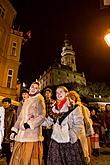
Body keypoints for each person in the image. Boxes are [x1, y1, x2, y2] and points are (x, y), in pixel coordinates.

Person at [42, 86, 85, 165]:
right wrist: (38, 121)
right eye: (57, 93)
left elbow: (79, 124)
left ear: (66, 93)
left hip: (69, 140)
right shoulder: (54, 108)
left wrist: (72, 134)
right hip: (56, 139)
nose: (58, 94)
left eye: (61, 92)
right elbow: (48, 121)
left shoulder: (74, 107)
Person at [9, 81, 46, 165]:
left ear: (38, 90)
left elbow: (42, 116)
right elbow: (21, 117)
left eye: (36, 88)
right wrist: (14, 130)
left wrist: (29, 124)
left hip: (31, 134)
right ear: (30, 87)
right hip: (21, 133)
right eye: (32, 87)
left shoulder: (39, 99)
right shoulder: (27, 100)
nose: (33, 89)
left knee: (29, 158)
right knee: (18, 157)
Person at [68, 90, 93, 164]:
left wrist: (89, 130)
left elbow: (86, 119)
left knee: (82, 147)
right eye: (70, 97)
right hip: (71, 130)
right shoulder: (68, 107)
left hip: (81, 130)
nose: (71, 98)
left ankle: (84, 160)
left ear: (76, 98)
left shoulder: (81, 107)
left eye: (73, 97)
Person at [1, 98, 16, 165]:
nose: (4, 104)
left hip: (8, 135)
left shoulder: (12, 111)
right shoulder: (1, 110)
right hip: (1, 134)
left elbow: (14, 123)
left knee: (8, 152)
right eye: (3, 103)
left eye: (6, 103)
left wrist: (13, 132)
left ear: (9, 104)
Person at [42, 88, 55, 165]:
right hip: (43, 126)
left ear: (51, 94)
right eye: (46, 93)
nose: (47, 94)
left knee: (50, 143)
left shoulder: (54, 102)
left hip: (51, 126)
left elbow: (55, 113)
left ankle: (50, 158)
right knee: (44, 142)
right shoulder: (42, 102)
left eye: (48, 93)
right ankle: (45, 157)